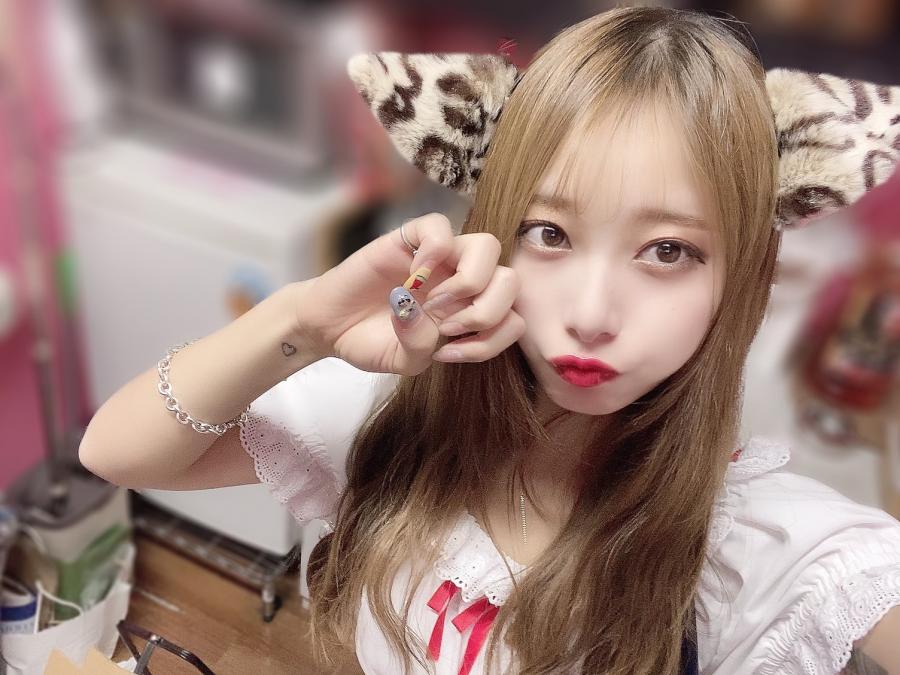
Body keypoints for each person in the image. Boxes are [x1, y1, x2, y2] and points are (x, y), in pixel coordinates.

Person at [78, 7, 900, 674]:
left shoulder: (755, 552)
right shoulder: (389, 423)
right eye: (550, 233)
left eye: (667, 251)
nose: (592, 313)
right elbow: (116, 451)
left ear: (740, 277)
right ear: (496, 234)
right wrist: (301, 322)